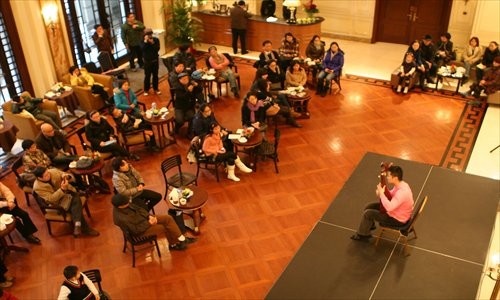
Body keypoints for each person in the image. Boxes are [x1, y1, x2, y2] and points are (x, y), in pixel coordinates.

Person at [112, 193, 196, 251]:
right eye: (127, 202)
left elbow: (139, 209)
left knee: (168, 218)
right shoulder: (122, 218)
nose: (129, 202)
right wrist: (149, 223)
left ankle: (181, 238)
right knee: (165, 227)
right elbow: (135, 230)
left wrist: (149, 216)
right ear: (120, 206)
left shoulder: (125, 204)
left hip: (145, 219)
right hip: (140, 231)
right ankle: (173, 244)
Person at [351, 165, 414, 241]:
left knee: (368, 213)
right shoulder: (402, 184)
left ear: (395, 178)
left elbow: (389, 207)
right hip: (396, 211)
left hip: (397, 219)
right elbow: (391, 195)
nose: (387, 177)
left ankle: (363, 235)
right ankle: (369, 225)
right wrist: (382, 192)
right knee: (368, 206)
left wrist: (381, 194)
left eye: (389, 176)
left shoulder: (402, 193)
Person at [32, 166, 99, 237]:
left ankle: (78, 225)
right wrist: (62, 189)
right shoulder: (37, 187)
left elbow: (64, 175)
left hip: (68, 194)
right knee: (75, 198)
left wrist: (67, 177)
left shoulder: (53, 171)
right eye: (46, 175)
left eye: (47, 172)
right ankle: (84, 228)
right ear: (39, 178)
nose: (49, 175)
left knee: (74, 199)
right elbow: (51, 199)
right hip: (58, 202)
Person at [141, 28, 161, 96]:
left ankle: (156, 88)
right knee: (147, 76)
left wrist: (152, 43)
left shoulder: (156, 40)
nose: (150, 36)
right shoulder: (142, 41)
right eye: (148, 34)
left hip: (155, 60)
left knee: (155, 75)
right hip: (147, 62)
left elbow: (157, 49)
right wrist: (146, 42)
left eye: (150, 34)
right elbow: (142, 49)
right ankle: (146, 89)